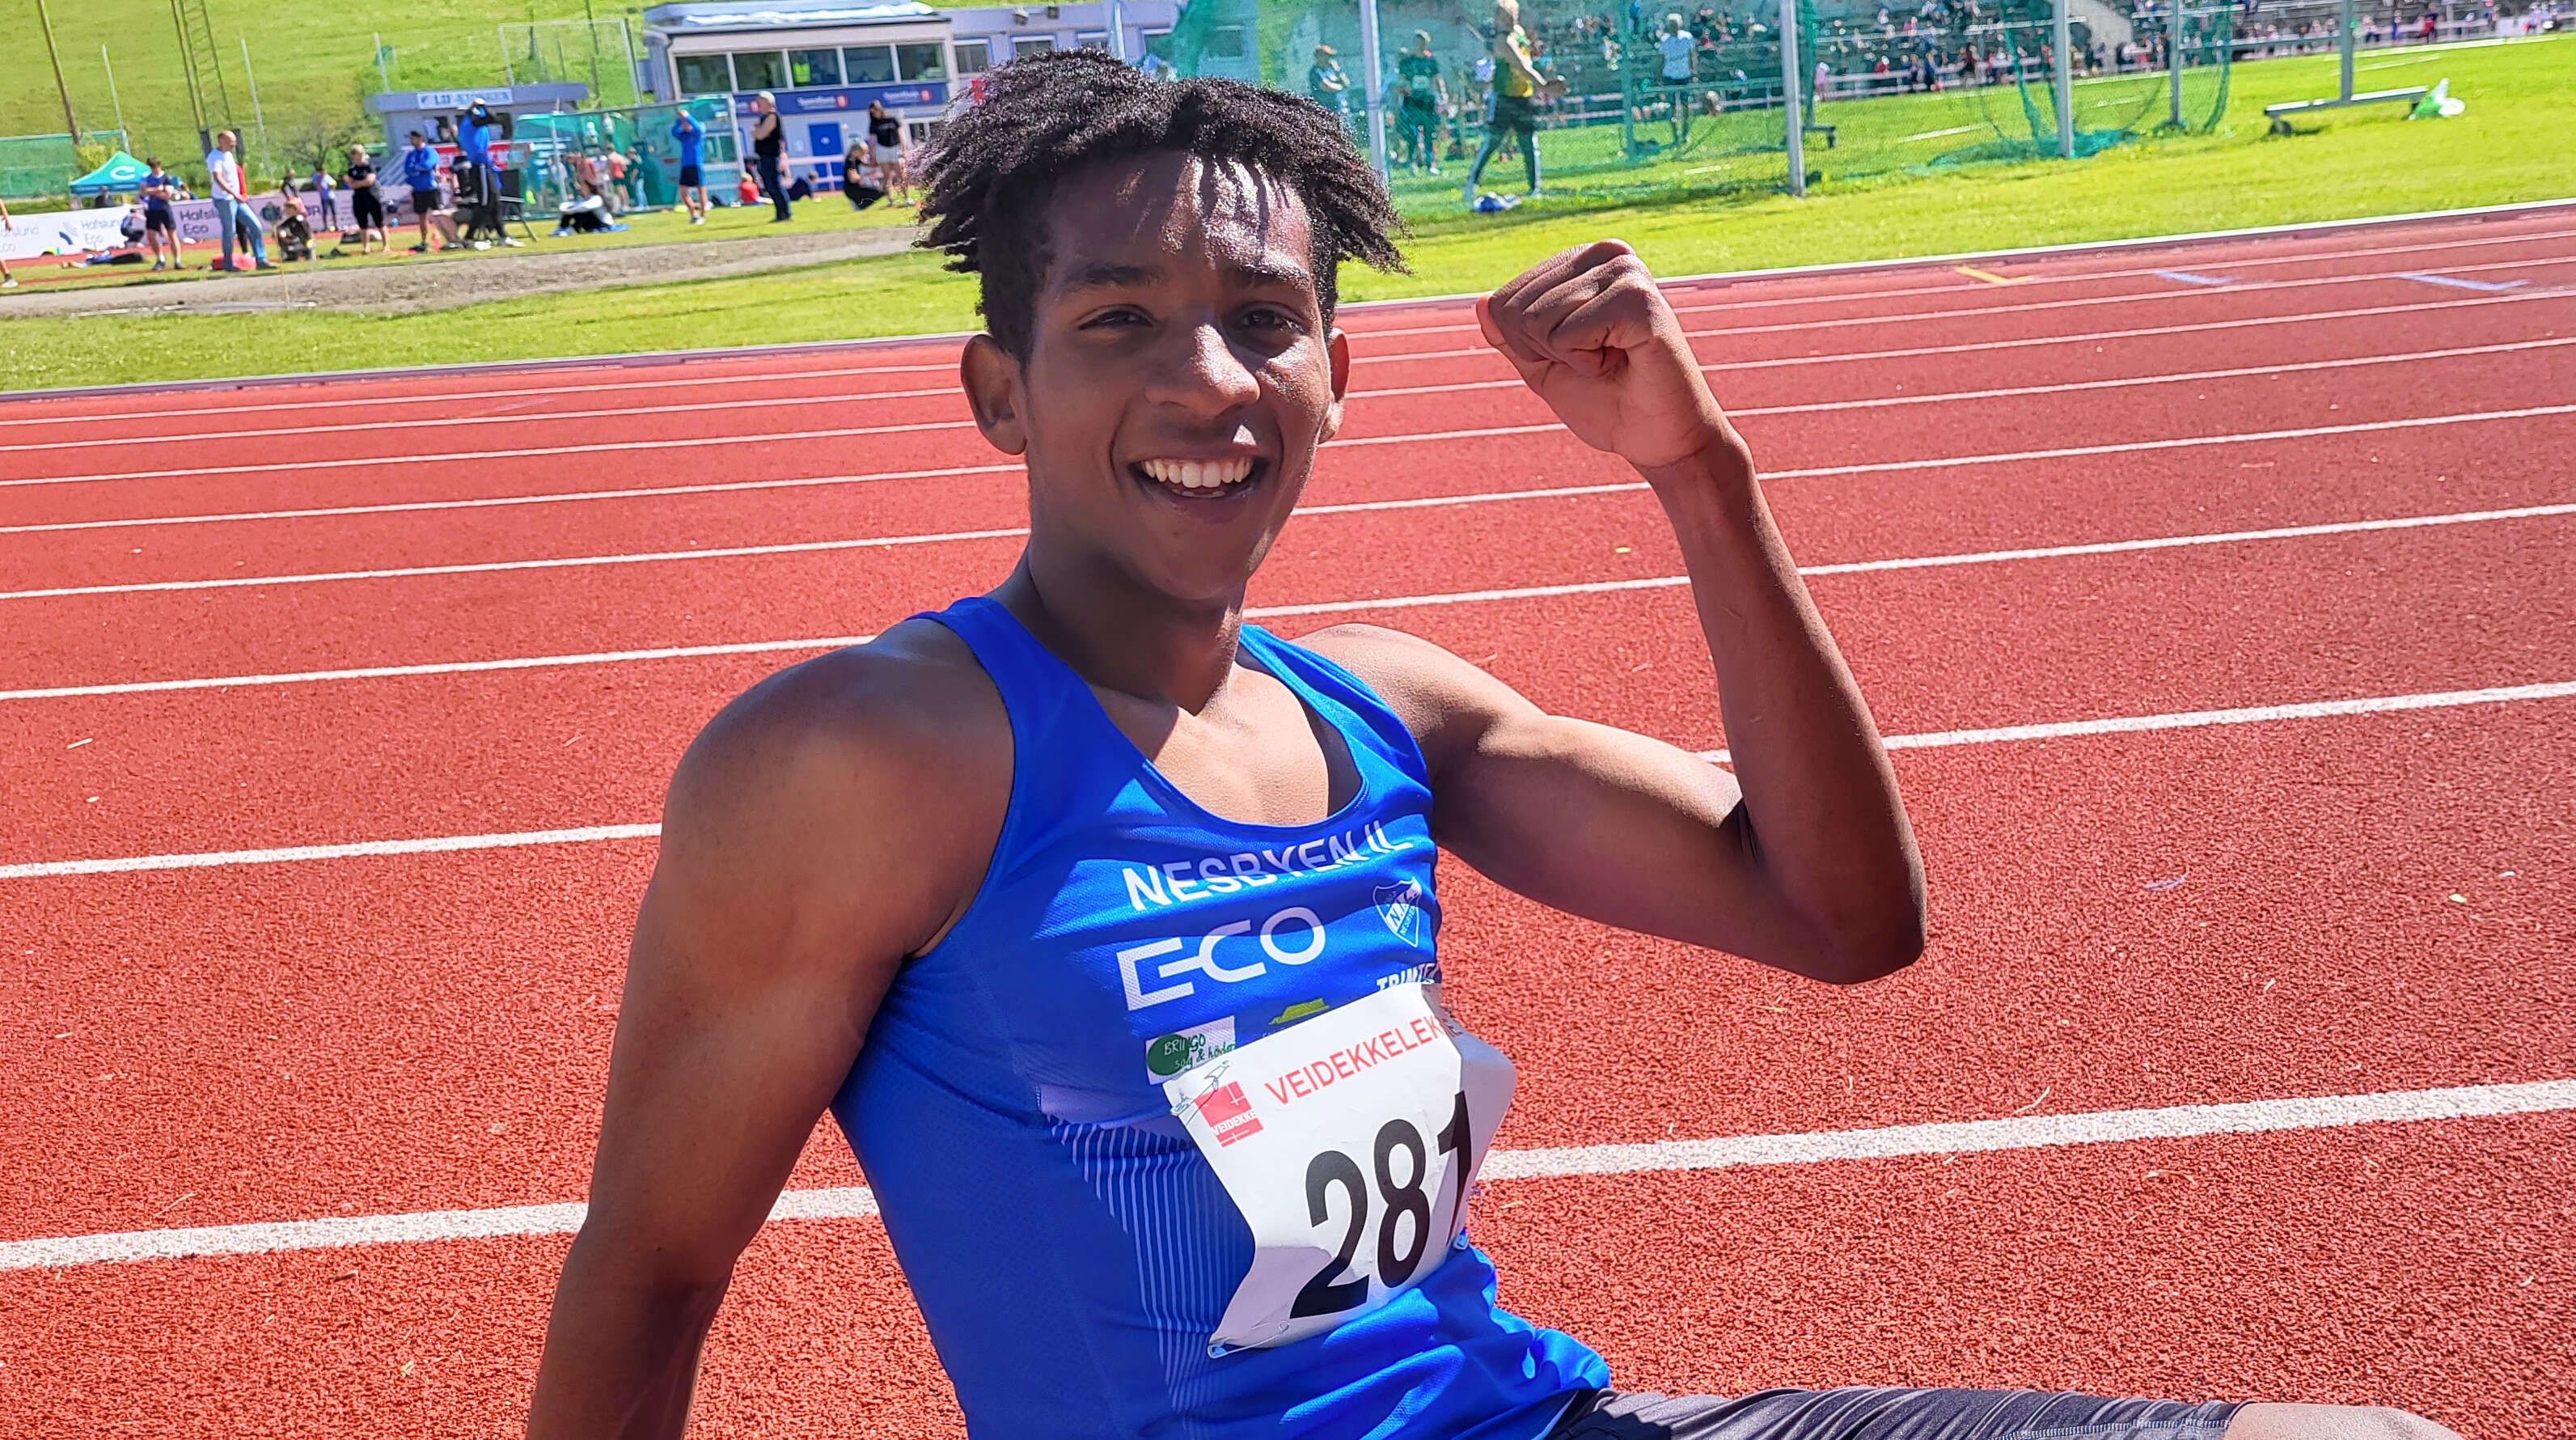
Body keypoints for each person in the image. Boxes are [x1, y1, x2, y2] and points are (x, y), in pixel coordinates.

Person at [525, 47, 2459, 1440]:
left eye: (1263, 319)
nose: (1207, 378)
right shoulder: (867, 757)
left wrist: (1700, 475)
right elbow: (650, 1271)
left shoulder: (1387, 712)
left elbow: (1840, 913)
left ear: (1336, 376)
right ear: (996, 391)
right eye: (1117, 321)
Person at [1465, 0, 1560, 203]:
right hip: (1504, 98)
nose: (1510, 20)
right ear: (1497, 19)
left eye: (1513, 16)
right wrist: (1543, 85)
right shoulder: (1502, 41)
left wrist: (1535, 60)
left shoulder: (1518, 33)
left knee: (1528, 143)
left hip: (1523, 97)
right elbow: (1521, 66)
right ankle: (1471, 185)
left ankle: (1535, 188)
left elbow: (1528, 58)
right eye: (1505, 17)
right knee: (1493, 142)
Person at [203, 129, 274, 272]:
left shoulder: (229, 155)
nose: (234, 145)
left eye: (234, 142)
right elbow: (218, 178)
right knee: (230, 231)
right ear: (221, 141)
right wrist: (234, 194)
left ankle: (261, 259)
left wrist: (240, 192)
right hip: (224, 200)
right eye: (231, 142)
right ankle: (228, 264)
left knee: (255, 226)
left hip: (237, 198)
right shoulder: (214, 157)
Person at [1396, 30, 1449, 173]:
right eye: (1418, 43)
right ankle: (1412, 163)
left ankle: (1431, 163)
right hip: (1411, 102)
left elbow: (1437, 79)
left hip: (1427, 101)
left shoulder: (1431, 61)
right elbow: (1401, 80)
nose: (1420, 46)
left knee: (1429, 133)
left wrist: (1443, 95)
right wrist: (1403, 89)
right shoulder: (1407, 62)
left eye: (1423, 43)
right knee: (1412, 133)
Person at [748, 90, 790, 222]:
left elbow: (760, 134)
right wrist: (757, 132)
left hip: (771, 156)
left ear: (768, 102)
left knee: (774, 184)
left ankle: (785, 213)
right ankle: (780, 213)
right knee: (769, 185)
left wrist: (756, 131)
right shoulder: (764, 118)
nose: (758, 105)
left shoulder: (772, 116)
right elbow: (756, 133)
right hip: (764, 156)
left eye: (760, 102)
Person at [399, 129, 442, 252]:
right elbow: (407, 170)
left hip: (431, 188)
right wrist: (418, 169)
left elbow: (428, 165)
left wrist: (417, 168)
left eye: (413, 138)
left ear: (420, 138)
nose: (411, 141)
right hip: (418, 189)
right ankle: (424, 241)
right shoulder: (411, 154)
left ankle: (445, 238)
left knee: (438, 214)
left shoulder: (429, 151)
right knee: (421, 216)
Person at [865, 99, 910, 205]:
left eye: (875, 111)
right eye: (872, 113)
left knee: (901, 174)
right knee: (887, 176)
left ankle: (907, 198)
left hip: (895, 148)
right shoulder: (873, 123)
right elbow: (872, 140)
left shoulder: (892, 119)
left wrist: (904, 149)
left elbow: (901, 134)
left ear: (879, 109)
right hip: (882, 149)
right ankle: (891, 200)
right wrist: (872, 155)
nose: (874, 114)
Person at [344, 144, 386, 255]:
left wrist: (357, 183)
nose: (355, 156)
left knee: (379, 222)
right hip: (359, 198)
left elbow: (370, 181)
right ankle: (366, 247)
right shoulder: (352, 169)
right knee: (362, 224)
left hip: (372, 196)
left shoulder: (369, 166)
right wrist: (358, 183)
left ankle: (386, 245)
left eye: (357, 153)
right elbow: (351, 184)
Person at [139, 157, 180, 269]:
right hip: (152, 210)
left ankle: (177, 260)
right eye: (152, 167)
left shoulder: (166, 178)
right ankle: (160, 259)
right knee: (151, 235)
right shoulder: (146, 178)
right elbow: (143, 191)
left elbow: (167, 195)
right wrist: (158, 189)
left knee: (172, 234)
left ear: (159, 165)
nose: (154, 169)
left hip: (164, 209)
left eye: (155, 166)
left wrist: (151, 191)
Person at [670, 108, 709, 224]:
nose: (684, 125)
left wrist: (687, 117)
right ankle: (693, 214)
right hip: (685, 166)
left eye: (686, 123)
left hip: (696, 165)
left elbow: (698, 128)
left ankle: (703, 215)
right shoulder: (683, 136)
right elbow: (673, 132)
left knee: (701, 190)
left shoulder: (696, 134)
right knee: (683, 192)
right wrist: (679, 120)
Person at [1306, 42, 1351, 135]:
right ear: (1319, 57)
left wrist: (1338, 71)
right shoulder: (1315, 72)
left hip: (1339, 107)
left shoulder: (1332, 70)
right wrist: (1341, 87)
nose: (1329, 59)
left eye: (1330, 56)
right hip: (1325, 109)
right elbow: (1327, 87)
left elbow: (1347, 83)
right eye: (1327, 56)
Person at [269, 179, 313, 262]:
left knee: (293, 248)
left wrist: (307, 243)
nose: (286, 210)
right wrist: (280, 232)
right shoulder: (290, 220)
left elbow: (307, 234)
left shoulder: (300, 219)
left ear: (294, 209)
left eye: (288, 208)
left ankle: (301, 253)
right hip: (294, 242)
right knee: (278, 235)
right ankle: (289, 253)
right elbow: (280, 228)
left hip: (302, 243)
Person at [841, 140, 886, 209]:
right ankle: (858, 205)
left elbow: (869, 165)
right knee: (879, 192)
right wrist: (865, 176)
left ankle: (860, 205)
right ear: (857, 151)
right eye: (863, 153)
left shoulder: (855, 159)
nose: (864, 155)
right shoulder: (851, 161)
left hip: (854, 188)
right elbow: (853, 179)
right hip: (852, 189)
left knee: (879, 191)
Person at [309, 161, 337, 231]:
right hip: (324, 197)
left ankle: (336, 226)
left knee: (334, 212)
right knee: (325, 212)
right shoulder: (316, 177)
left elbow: (333, 185)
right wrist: (321, 178)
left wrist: (333, 187)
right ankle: (325, 227)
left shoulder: (328, 176)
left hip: (332, 197)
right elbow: (318, 187)